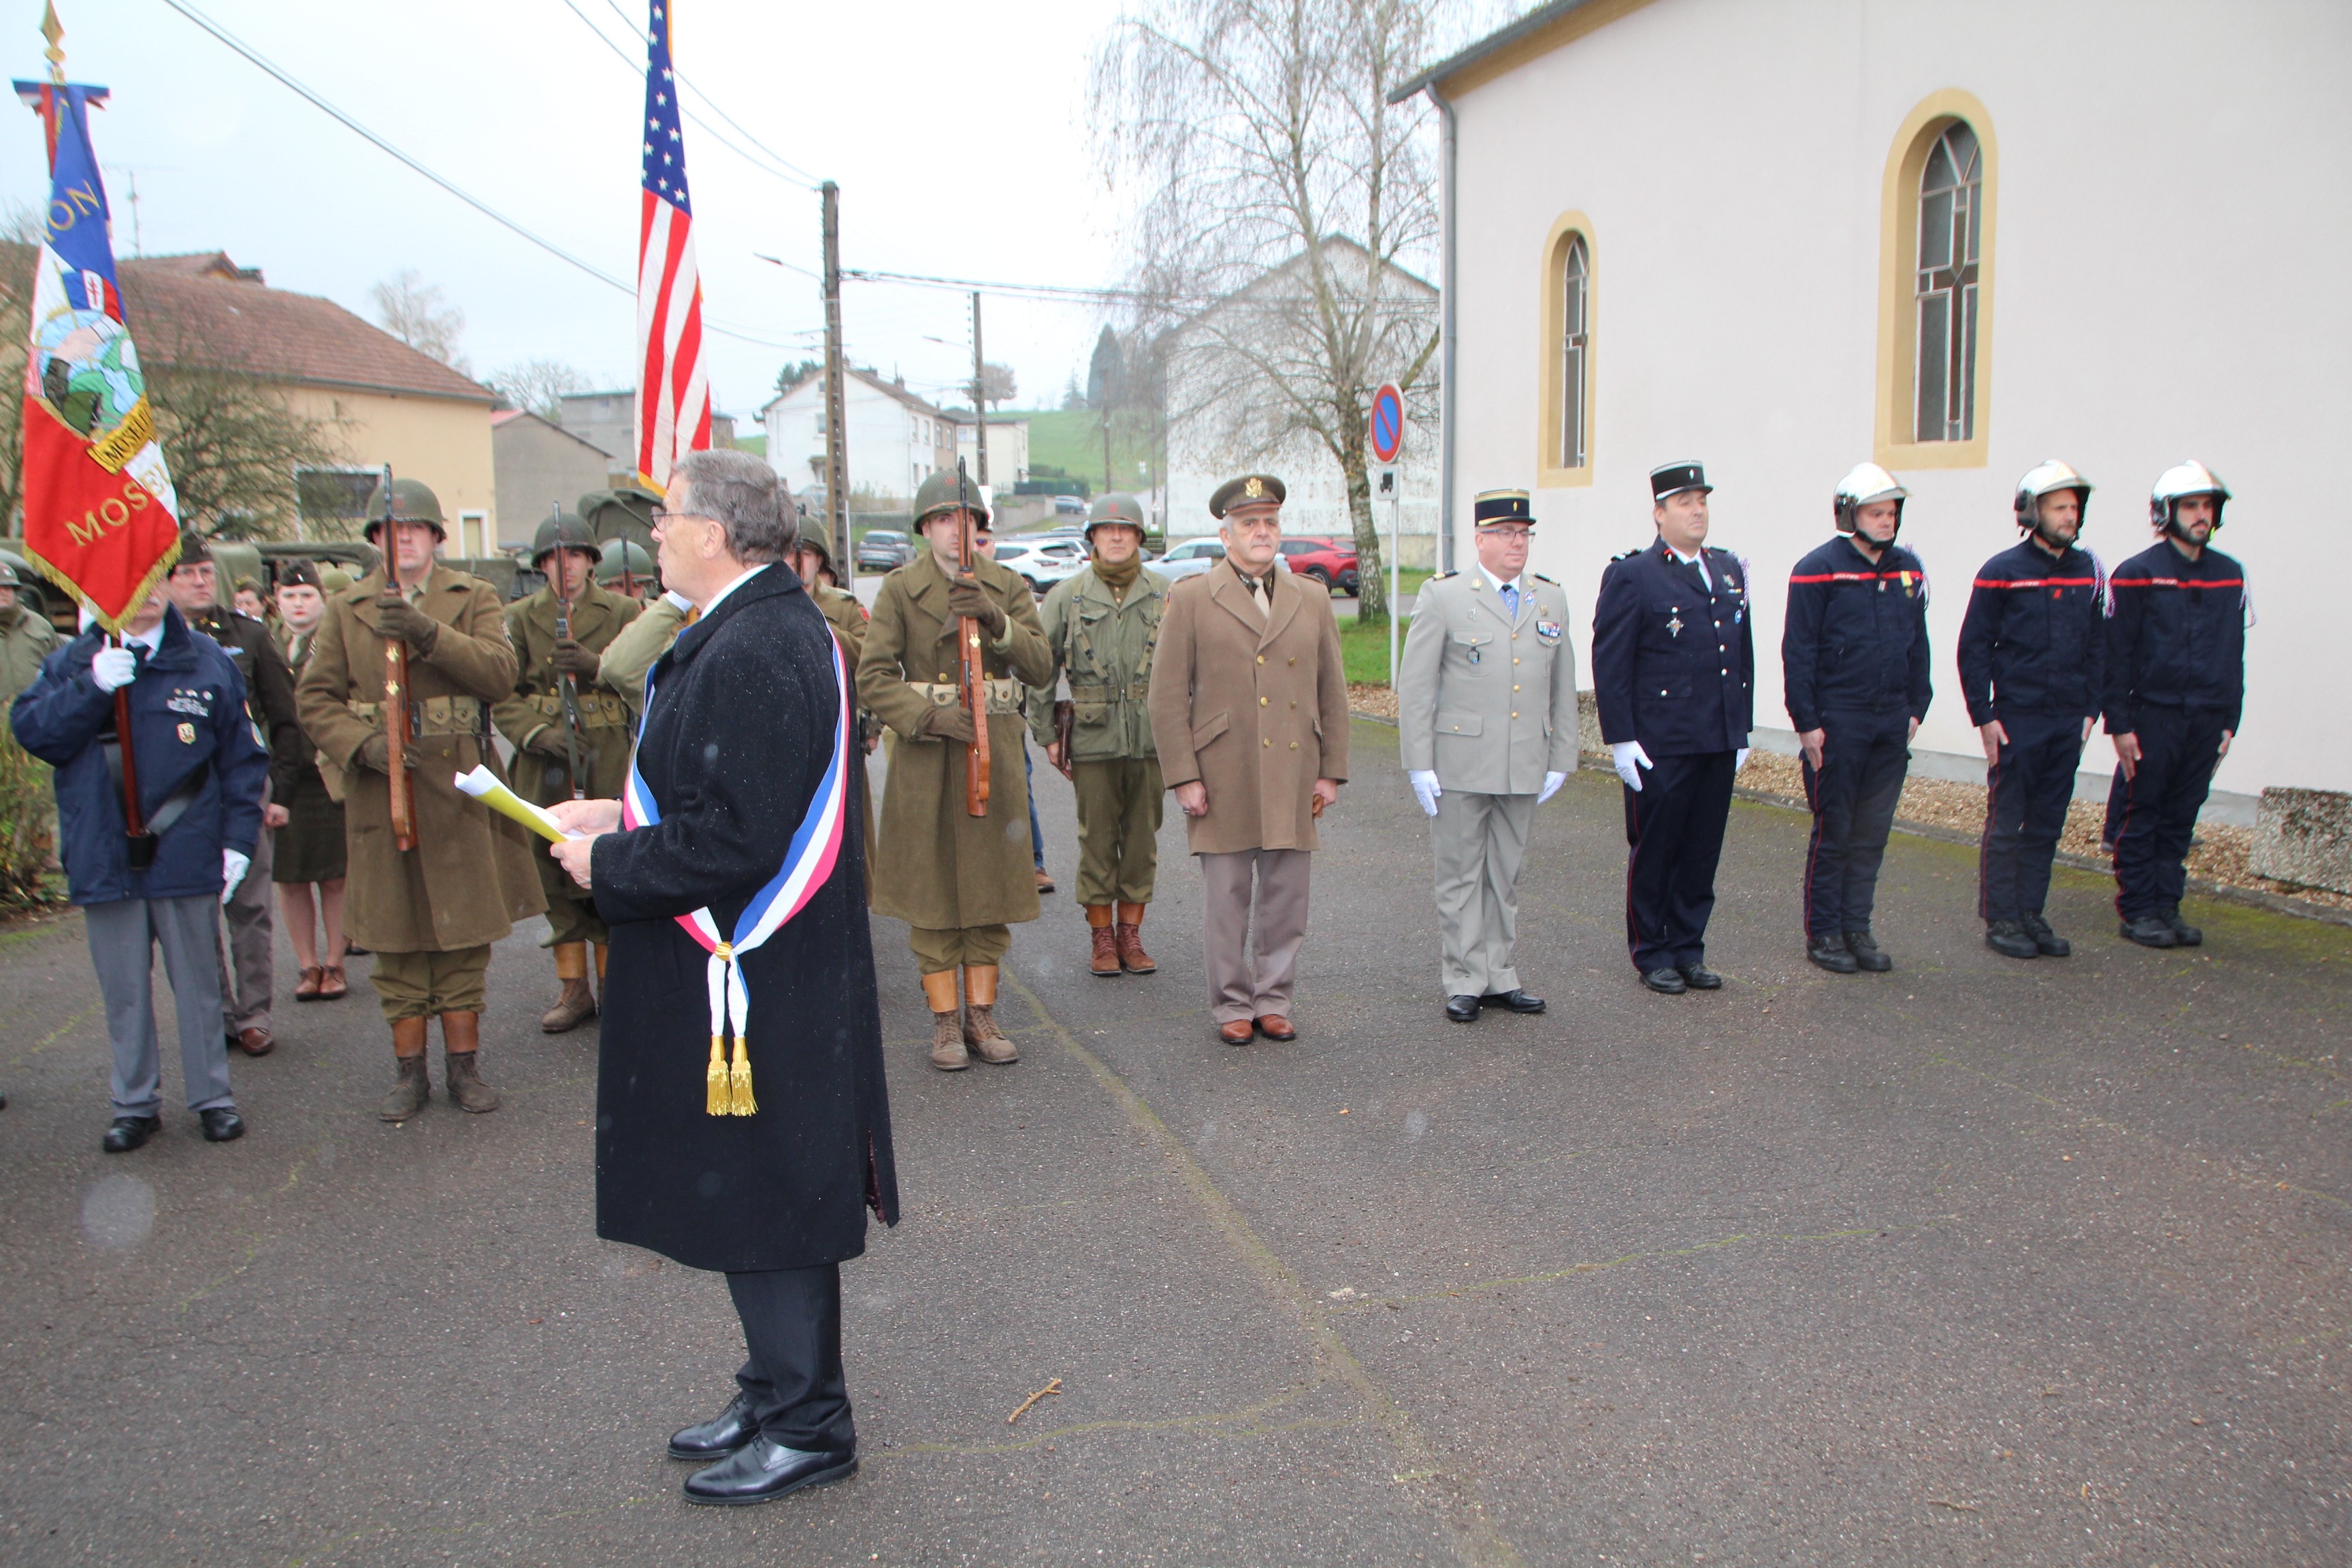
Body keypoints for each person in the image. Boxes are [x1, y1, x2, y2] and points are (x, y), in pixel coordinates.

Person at [545, 448, 898, 1509]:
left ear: (714, 532)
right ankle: (774, 1389)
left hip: (758, 977)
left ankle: (810, 1425)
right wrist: (620, 819)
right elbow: (721, 802)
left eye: (664, 519)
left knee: (772, 1194)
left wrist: (608, 864)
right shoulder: (751, 628)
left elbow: (738, 840)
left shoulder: (756, 643)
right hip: (749, 975)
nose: (651, 535)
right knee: (753, 1193)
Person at [295, 476, 545, 1120]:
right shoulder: (345, 606)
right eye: (388, 529)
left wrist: (427, 632)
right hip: (384, 790)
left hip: (459, 787)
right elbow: (314, 700)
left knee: (463, 939)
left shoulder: (474, 597)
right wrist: (360, 745)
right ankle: (410, 1074)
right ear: (375, 539)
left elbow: (498, 674)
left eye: (414, 528)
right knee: (396, 935)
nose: (401, 537)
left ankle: (465, 1069)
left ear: (436, 536)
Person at [11, 584, 269, 1151]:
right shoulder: (74, 661)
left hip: (187, 849)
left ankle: (212, 1098)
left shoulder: (204, 660)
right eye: (124, 582)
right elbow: (34, 733)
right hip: (104, 852)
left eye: (152, 579)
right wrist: (93, 686)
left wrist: (237, 841)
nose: (141, 595)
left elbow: (242, 759)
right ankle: (134, 1103)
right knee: (124, 990)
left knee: (199, 985)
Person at [858, 470, 1054, 1070]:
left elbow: (1042, 667)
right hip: (926, 758)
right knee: (933, 887)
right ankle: (945, 1024)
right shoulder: (898, 590)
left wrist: (998, 620)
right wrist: (925, 717)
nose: (957, 531)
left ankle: (982, 1014)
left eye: (967, 520)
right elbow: (873, 676)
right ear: (925, 528)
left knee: (988, 885)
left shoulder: (1008, 586)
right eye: (944, 519)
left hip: (990, 756)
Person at [1149, 474, 1349, 1045]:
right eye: (1248, 524)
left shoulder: (1309, 596)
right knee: (1227, 902)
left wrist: (1330, 769)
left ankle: (1274, 999)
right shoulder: (1190, 597)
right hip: (1223, 771)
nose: (1261, 533)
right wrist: (1184, 776)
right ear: (1226, 533)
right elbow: (1166, 697)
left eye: (1269, 523)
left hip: (1292, 769)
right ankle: (1232, 1003)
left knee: (1287, 900)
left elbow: (1331, 689)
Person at [1397, 489, 1575, 1023]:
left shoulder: (1550, 598)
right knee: (1459, 874)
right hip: (1460, 762)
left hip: (1523, 760)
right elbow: (1417, 685)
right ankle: (1465, 977)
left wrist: (1562, 754)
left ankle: (1501, 975)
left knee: (1505, 873)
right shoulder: (1445, 596)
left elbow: (1562, 684)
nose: (1516, 542)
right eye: (1504, 533)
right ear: (1480, 539)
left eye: (1523, 533)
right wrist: (1418, 761)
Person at [1591, 461, 1755, 995]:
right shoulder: (1634, 574)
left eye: (1702, 500)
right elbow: (1612, 661)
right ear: (1659, 514)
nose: (1698, 510)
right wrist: (1620, 738)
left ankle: (1689, 947)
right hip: (1660, 741)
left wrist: (1741, 729)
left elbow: (1741, 655)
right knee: (1658, 849)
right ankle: (1652, 951)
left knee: (1702, 851)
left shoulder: (1728, 569)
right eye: (1684, 502)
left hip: (1716, 737)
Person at [492, 511, 642, 1032]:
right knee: (552, 866)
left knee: (608, 862)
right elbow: (501, 695)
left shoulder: (625, 610)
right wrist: (539, 734)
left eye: (575, 555)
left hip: (606, 753)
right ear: (541, 566)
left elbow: (646, 676)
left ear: (591, 561)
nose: (566, 567)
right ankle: (573, 990)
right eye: (554, 558)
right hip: (546, 759)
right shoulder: (518, 617)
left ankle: (615, 986)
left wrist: (595, 662)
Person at [1781, 464, 1933, 975]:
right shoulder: (1817, 569)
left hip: (1890, 720)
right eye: (1876, 512)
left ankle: (1857, 927)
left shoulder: (1908, 569)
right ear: (1850, 514)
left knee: (1872, 831)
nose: (1887, 521)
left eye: (1892, 512)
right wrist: (1807, 722)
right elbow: (1798, 651)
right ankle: (1824, 932)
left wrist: (1917, 706)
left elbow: (1920, 644)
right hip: (1838, 720)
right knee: (1836, 830)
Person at [1958, 459, 2107, 961]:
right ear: (2032, 511)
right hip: (2017, 719)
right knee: (2008, 822)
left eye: (2074, 507)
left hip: (2068, 721)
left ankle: (2030, 913)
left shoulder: (2088, 570)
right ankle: (2001, 918)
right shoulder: (2003, 572)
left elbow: (2099, 646)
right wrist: (1984, 714)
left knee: (2047, 823)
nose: (2070, 516)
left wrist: (2091, 711)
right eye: (2060, 507)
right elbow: (1974, 646)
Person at [165, 531, 300, 1058]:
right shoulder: (156, 640)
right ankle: (215, 1012)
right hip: (182, 798)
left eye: (205, 572)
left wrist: (279, 791)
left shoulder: (249, 634)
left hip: (243, 786)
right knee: (195, 909)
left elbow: (285, 718)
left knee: (249, 907)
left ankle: (254, 1014)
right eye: (187, 574)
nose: (200, 581)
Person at [2103, 461, 2248, 949]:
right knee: (2144, 812)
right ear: (2167, 512)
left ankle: (2168, 905)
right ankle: (2139, 909)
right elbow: (2117, 655)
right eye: (2191, 506)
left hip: (2207, 718)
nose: (2202, 515)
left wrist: (2231, 719)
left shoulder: (2229, 575)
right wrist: (2119, 724)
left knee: (2182, 817)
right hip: (2154, 716)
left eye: (2208, 506)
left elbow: (2234, 654)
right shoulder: (2137, 574)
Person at [1031, 493, 1171, 977]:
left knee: (1141, 841)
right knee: (1096, 840)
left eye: (1126, 529)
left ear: (1138, 537)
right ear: (1092, 537)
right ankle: (1101, 938)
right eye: (1107, 529)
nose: (1116, 536)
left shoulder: (1164, 593)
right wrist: (1046, 731)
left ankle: (1131, 935)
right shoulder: (1067, 596)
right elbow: (1040, 668)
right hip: (1092, 737)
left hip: (1152, 738)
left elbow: (1190, 670)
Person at [270, 560, 348, 1001]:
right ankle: (307, 964)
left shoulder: (336, 642)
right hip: (284, 777)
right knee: (292, 877)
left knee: (336, 875)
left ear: (322, 600)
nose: (298, 604)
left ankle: (335, 961)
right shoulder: (265, 643)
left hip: (327, 771)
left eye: (306, 596)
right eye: (289, 596)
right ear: (276, 601)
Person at [789, 514, 880, 883]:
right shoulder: (763, 604)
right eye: (789, 554)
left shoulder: (843, 607)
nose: (798, 563)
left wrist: (819, 623)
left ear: (821, 560)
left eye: (807, 553)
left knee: (848, 831)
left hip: (837, 732)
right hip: (787, 731)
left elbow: (870, 657)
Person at [0, 560, 60, 708]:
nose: (2, 592)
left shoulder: (41, 626)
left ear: (16, 592)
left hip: (36, 717)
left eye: (7, 588)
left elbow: (59, 671)